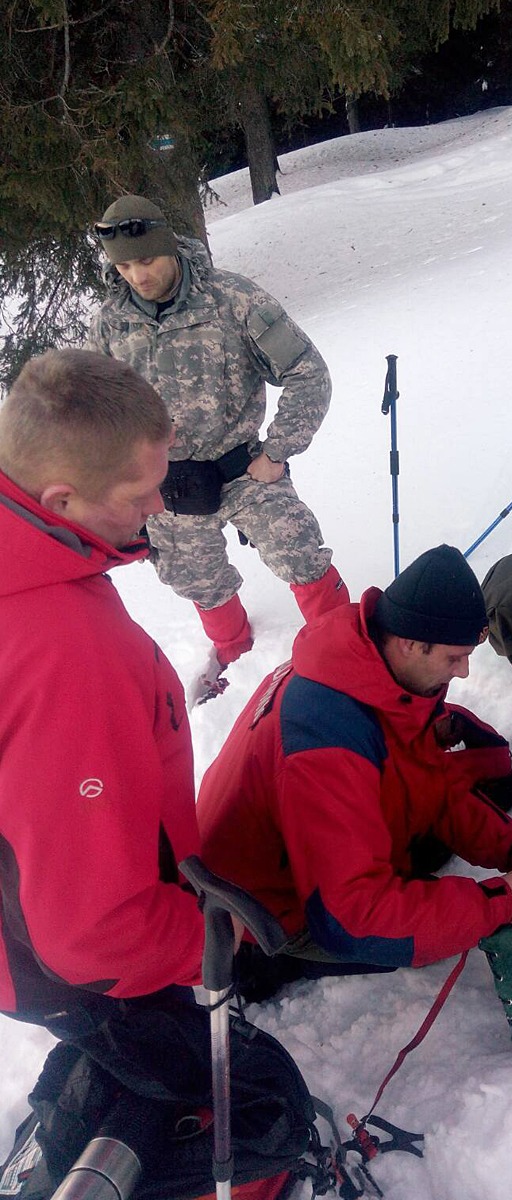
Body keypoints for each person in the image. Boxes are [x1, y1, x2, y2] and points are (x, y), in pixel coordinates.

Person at [197, 544, 512, 1000]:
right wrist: (502, 903)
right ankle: (271, 959)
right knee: (420, 935)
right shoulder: (326, 740)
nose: (465, 672)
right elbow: (352, 918)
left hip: (303, 849)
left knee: (434, 893)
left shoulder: (369, 666)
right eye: (454, 658)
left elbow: (430, 781)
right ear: (412, 643)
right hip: (267, 905)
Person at [0, 348, 206, 1085]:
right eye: (140, 492)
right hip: (90, 972)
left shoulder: (32, 559)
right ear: (60, 501)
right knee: (170, 1095)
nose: (158, 506)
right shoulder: (65, 654)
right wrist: (208, 936)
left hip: (34, 919)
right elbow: (92, 934)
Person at [87, 194, 348, 693]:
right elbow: (99, 411)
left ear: (170, 248)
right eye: (123, 266)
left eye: (146, 260)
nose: (137, 276)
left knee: (299, 548)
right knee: (197, 579)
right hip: (168, 486)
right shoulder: (110, 324)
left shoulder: (233, 299)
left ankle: (342, 643)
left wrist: (278, 450)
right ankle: (236, 659)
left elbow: (307, 373)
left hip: (244, 468)